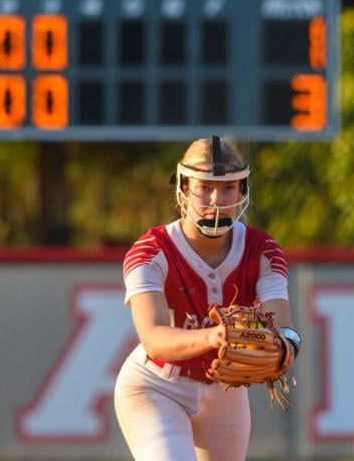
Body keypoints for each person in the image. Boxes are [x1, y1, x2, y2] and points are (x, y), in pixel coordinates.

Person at [114, 136, 302, 461]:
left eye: (228, 188)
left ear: (242, 191)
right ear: (184, 188)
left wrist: (285, 346)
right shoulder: (151, 250)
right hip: (158, 384)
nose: (217, 200)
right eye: (205, 187)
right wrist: (215, 336)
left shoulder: (263, 251)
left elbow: (282, 327)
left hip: (226, 392)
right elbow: (154, 338)